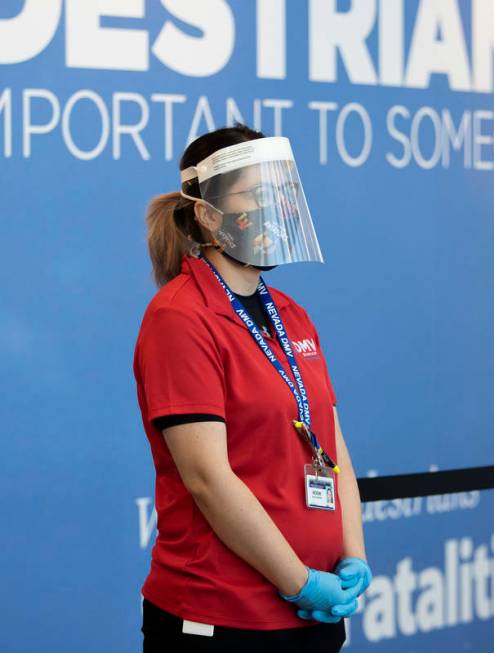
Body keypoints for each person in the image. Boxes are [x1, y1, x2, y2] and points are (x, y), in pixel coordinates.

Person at [134, 124, 370, 652]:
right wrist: (299, 581)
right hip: (223, 619)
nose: (274, 207)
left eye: (279, 192)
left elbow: (334, 451)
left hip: (311, 616)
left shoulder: (293, 316)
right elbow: (208, 480)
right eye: (255, 194)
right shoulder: (180, 316)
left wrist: (351, 554)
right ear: (207, 212)